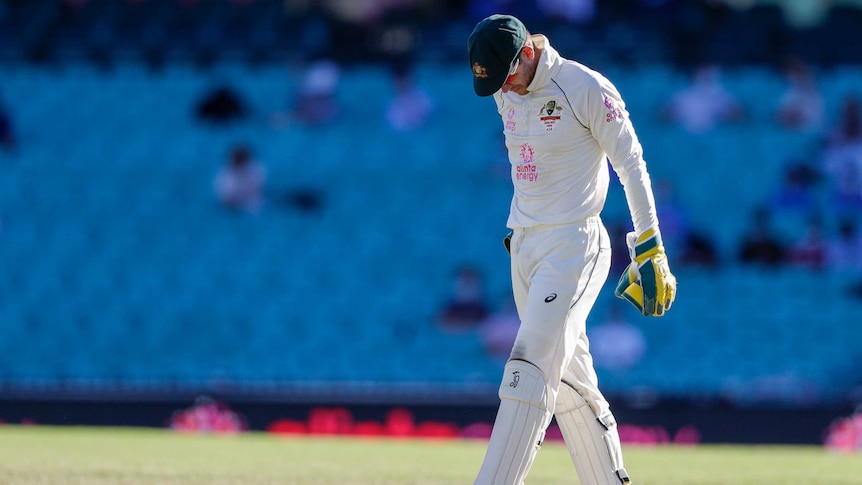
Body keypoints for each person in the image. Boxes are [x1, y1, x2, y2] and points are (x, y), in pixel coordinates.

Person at [466, 14, 677, 485]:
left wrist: (650, 247)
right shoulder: (507, 85)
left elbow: (631, 162)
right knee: (570, 387)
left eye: (508, 78)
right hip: (524, 246)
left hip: (574, 245)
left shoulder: (584, 86)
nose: (508, 91)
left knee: (529, 364)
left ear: (527, 53)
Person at [213, 143, 267, 214]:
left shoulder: (255, 169)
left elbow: (259, 186)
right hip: (233, 207)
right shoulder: (225, 176)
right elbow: (226, 197)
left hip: (253, 202)